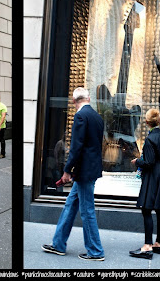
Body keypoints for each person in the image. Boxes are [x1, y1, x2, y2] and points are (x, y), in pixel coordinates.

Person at [42, 87, 105, 261]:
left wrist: (67, 171)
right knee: (70, 206)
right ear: (89, 98)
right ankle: (58, 245)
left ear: (73, 101)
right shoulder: (97, 117)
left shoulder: (80, 116)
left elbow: (76, 148)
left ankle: (95, 251)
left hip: (84, 172)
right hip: (90, 170)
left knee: (87, 211)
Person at [129, 108, 160, 259]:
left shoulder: (149, 139)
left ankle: (147, 246)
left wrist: (137, 161)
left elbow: (148, 162)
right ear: (159, 121)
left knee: (147, 209)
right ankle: (159, 243)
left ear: (147, 122)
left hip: (153, 175)